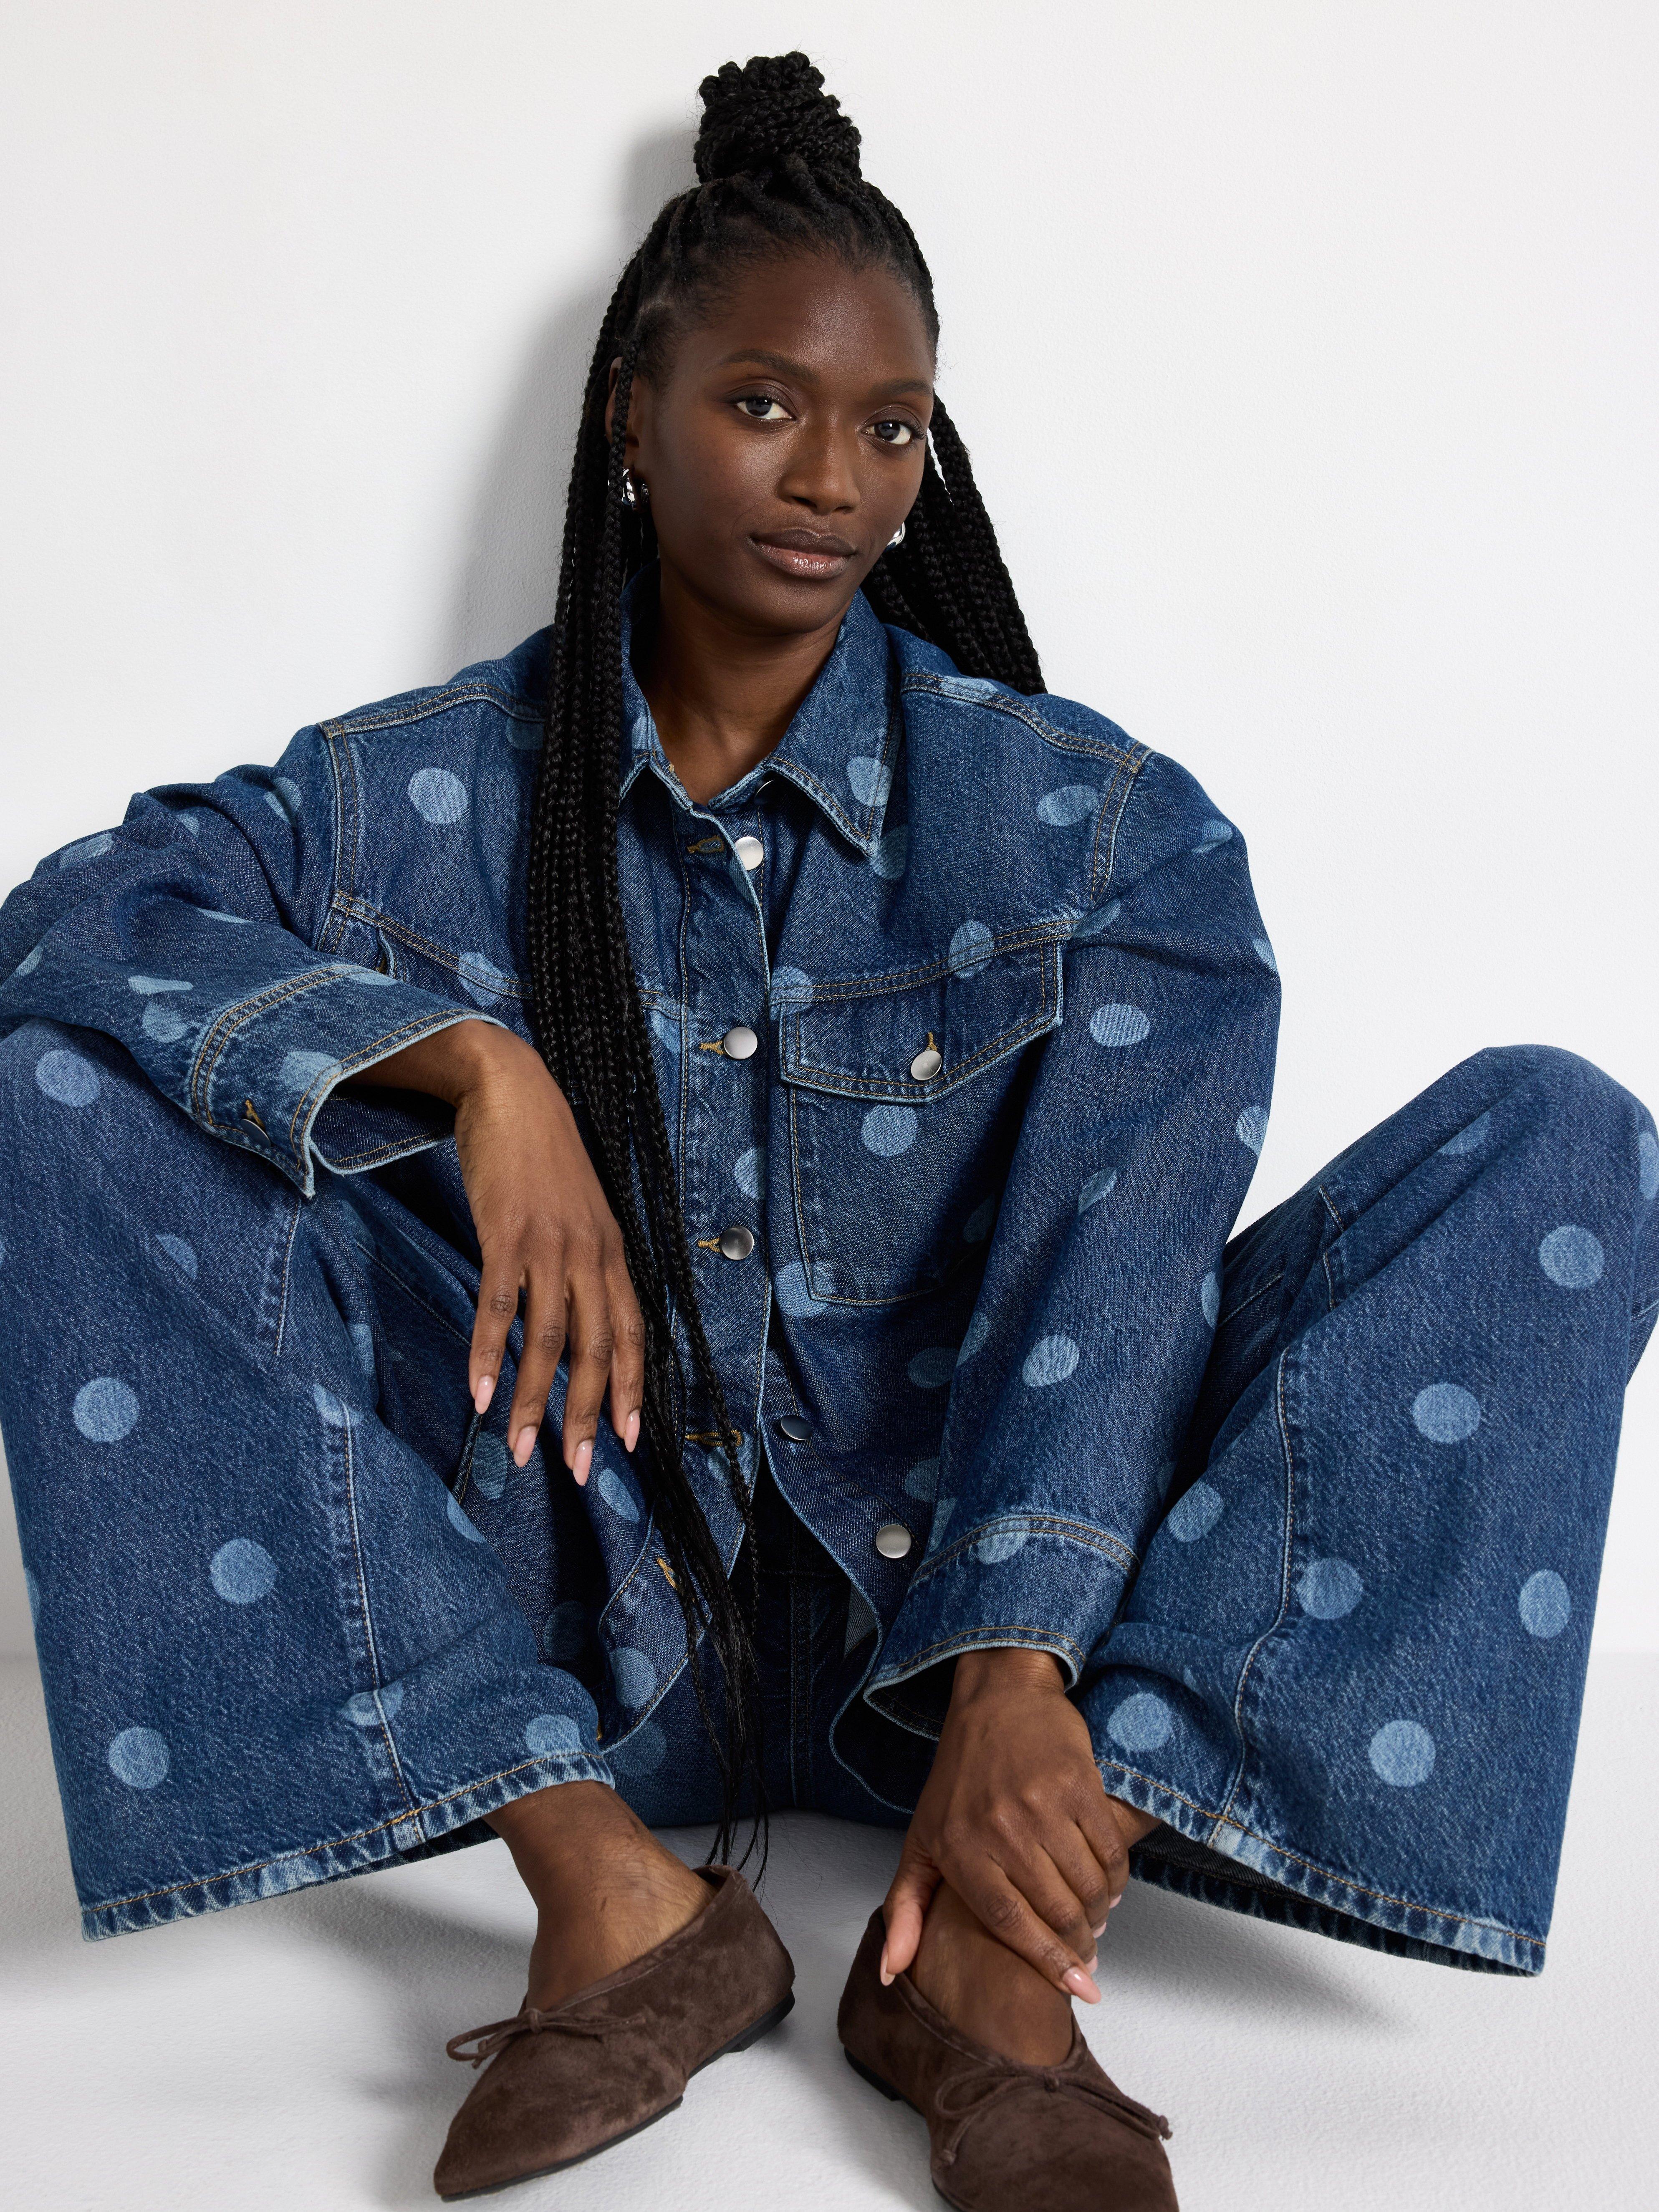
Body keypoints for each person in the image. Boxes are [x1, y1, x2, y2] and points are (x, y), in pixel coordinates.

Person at [1, 49, 1653, 2212]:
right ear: (632, 417)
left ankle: (993, 1934)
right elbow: (71, 926)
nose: (833, 477)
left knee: (1562, 1138)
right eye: (763, 402)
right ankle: (616, 1905)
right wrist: (471, 1071)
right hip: (578, 1650)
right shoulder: (412, 793)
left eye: (888, 426)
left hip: (976, 1661)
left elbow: (1113, 1269)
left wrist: (1013, 1663)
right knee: (60, 1078)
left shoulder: (1095, 826)